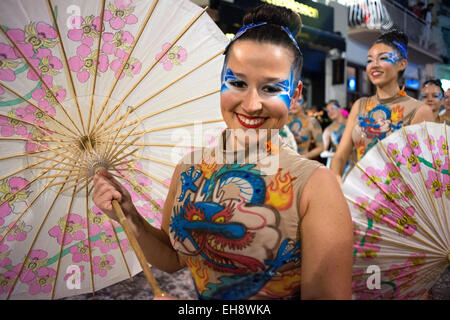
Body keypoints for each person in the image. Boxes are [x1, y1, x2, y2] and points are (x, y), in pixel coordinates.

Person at [93, 4, 353, 300]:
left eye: (271, 88)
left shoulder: (316, 186)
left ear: (294, 95)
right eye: (238, 83)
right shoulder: (190, 168)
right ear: (220, 82)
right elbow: (173, 258)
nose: (252, 104)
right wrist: (131, 216)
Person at [330, 29, 434, 182]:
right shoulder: (360, 106)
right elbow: (340, 155)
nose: (374, 65)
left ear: (401, 64)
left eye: (383, 58)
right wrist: (336, 176)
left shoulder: (419, 111)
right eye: (370, 60)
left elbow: (426, 170)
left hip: (396, 200)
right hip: (355, 195)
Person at [287, 94, 324, 159]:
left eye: (298, 100)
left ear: (304, 104)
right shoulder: (281, 120)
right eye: (291, 100)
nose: (294, 104)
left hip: (301, 164)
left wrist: (303, 157)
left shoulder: (312, 122)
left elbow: (321, 147)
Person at [321, 100, 348, 169]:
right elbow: (323, 152)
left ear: (340, 108)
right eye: (328, 111)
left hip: (352, 161)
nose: (330, 112)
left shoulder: (351, 123)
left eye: (333, 108)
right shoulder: (328, 130)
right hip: (337, 163)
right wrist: (334, 154)